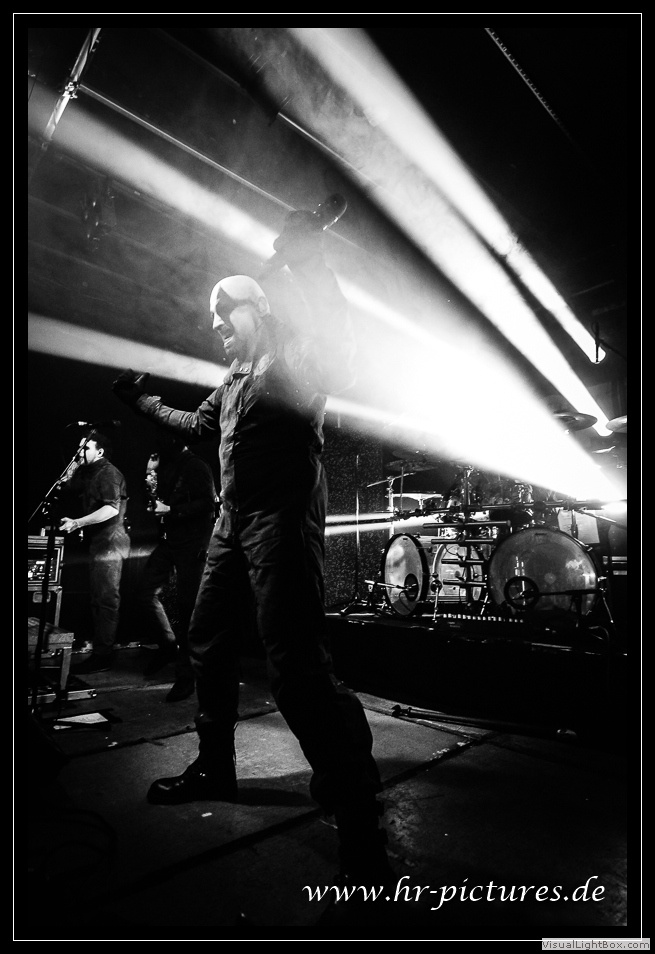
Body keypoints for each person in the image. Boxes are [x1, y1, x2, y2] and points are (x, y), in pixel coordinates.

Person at [112, 207, 395, 886]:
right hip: (230, 524)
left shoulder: (295, 358)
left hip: (280, 523)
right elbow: (194, 424)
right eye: (210, 315)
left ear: (258, 310)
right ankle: (215, 768)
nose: (213, 323)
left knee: (295, 662)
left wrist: (310, 259)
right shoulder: (233, 381)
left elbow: (339, 346)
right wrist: (143, 404)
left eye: (223, 311)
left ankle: (358, 813)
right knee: (206, 640)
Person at [135, 431, 217, 702]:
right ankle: (168, 645)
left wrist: (171, 510)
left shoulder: (196, 466)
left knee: (187, 608)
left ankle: (187, 676)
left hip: (192, 543)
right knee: (145, 592)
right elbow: (156, 498)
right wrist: (150, 475)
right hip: (170, 541)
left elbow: (208, 503)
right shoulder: (167, 466)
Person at [57, 429, 131, 674]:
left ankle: (103, 656)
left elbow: (111, 509)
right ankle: (100, 651)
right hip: (98, 544)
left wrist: (78, 523)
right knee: (98, 599)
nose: (80, 452)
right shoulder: (89, 472)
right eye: (79, 447)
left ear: (100, 451)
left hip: (110, 545)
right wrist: (76, 463)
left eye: (85, 448)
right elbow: (65, 485)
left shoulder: (109, 473)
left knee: (106, 600)